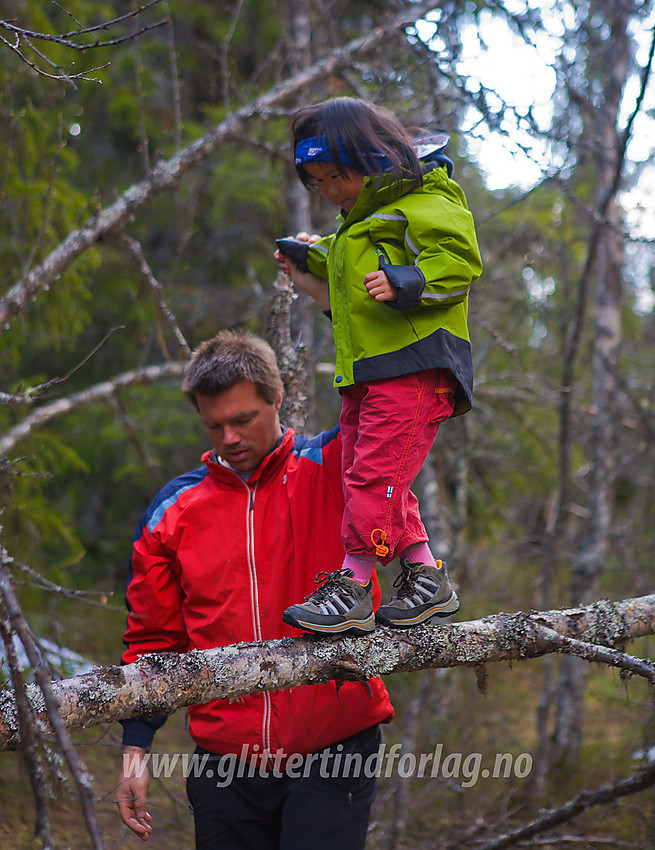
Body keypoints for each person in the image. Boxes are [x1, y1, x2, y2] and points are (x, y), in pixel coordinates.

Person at [116, 330, 395, 849]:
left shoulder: (334, 468)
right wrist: (136, 749)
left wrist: (334, 288)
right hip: (226, 761)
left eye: (243, 420)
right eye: (214, 425)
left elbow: (380, 398)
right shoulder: (171, 513)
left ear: (277, 399)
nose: (229, 439)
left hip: (335, 745)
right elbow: (153, 641)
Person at [275, 96, 483, 635]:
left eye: (338, 176)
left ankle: (354, 585)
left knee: (373, 476)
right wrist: (312, 259)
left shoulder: (422, 197)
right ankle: (423, 575)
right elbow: (354, 270)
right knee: (366, 473)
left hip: (414, 369)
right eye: (318, 182)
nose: (331, 192)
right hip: (368, 373)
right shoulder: (358, 222)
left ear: (372, 156)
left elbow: (457, 261)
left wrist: (406, 282)